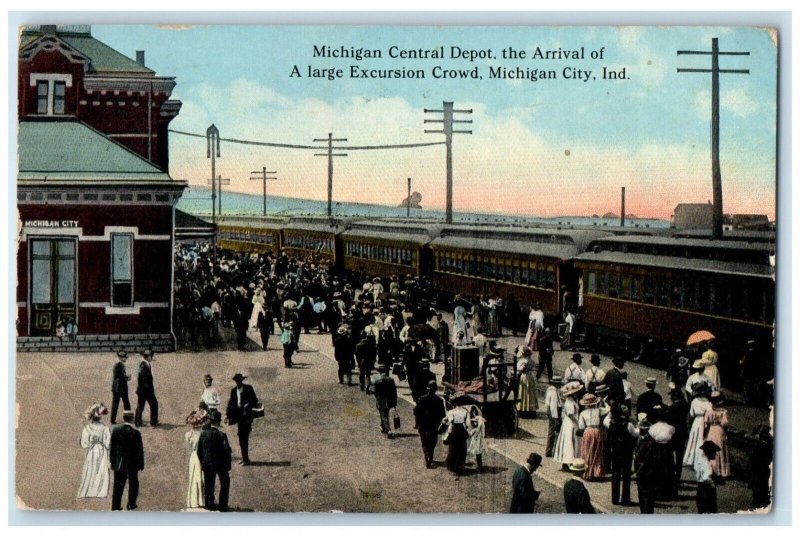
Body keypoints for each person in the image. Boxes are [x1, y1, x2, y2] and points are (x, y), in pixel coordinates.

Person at [197, 410, 232, 512]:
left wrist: (202, 462)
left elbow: (199, 450)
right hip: (220, 465)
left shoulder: (203, 434)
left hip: (208, 463)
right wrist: (227, 466)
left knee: (209, 485)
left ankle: (209, 505)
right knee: (225, 483)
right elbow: (227, 451)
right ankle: (223, 506)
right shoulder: (222, 435)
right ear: (218, 422)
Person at [109, 410, 144, 511]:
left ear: (123, 418)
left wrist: (112, 462)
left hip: (119, 464)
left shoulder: (115, 430)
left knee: (118, 486)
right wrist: (141, 464)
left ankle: (116, 506)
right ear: (132, 419)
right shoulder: (136, 433)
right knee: (133, 485)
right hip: (132, 464)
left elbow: (113, 447)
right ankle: (131, 504)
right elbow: (139, 450)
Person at [78, 403, 111, 499]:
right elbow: (108, 443)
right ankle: (100, 492)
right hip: (101, 451)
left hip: (92, 451)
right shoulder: (105, 428)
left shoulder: (87, 428)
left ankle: (89, 490)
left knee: (90, 469)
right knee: (101, 470)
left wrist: (91, 442)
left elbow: (84, 444)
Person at [225, 373, 259, 465]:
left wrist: (248, 404)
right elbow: (230, 403)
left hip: (246, 417)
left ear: (241, 380)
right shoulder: (233, 391)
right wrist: (227, 416)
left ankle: (246, 459)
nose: (238, 382)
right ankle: (245, 458)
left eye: (239, 380)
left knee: (244, 438)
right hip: (239, 417)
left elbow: (255, 401)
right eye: (236, 381)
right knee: (241, 438)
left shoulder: (248, 389)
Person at [607, 404, 637, 506]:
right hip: (626, 452)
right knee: (626, 476)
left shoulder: (610, 423)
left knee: (615, 475)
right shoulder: (628, 425)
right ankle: (625, 498)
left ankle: (615, 498)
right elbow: (635, 434)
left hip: (615, 452)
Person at [413, 380, 446, 468]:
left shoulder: (422, 398)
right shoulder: (439, 400)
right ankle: (430, 457)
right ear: (435, 390)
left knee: (424, 442)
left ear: (428, 389)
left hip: (423, 424)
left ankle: (427, 457)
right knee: (432, 442)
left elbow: (415, 411)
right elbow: (443, 414)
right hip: (434, 425)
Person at [577, 393, 608, 481]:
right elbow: (608, 409)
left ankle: (587, 472)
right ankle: (596, 473)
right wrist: (603, 402)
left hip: (588, 431)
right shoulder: (599, 410)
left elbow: (581, 426)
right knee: (597, 452)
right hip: (597, 431)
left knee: (587, 451)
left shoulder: (582, 413)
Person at [682, 383, 713, 467]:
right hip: (704, 421)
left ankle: (691, 458)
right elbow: (710, 415)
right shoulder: (708, 403)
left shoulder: (694, 401)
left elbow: (691, 413)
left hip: (697, 421)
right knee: (702, 439)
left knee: (694, 439)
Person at [554, 382, 582, 469]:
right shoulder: (570, 402)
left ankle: (569, 461)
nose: (577, 394)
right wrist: (577, 423)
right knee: (570, 441)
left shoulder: (571, 401)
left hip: (568, 422)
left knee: (570, 441)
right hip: (570, 423)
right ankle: (569, 461)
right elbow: (571, 415)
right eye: (576, 393)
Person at [184, 409, 208, 509]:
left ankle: (193, 501)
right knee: (201, 478)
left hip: (193, 456)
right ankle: (201, 500)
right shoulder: (203, 434)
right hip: (201, 456)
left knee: (194, 478)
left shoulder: (188, 434)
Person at [704, 391, 730, 478]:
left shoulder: (709, 410)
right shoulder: (723, 411)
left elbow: (706, 422)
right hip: (719, 430)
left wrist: (704, 433)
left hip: (711, 430)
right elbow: (725, 423)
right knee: (720, 449)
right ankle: (721, 470)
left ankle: (712, 469)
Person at [749, 425, 773, 509]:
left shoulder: (759, 445)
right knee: (763, 486)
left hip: (758, 469)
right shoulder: (769, 444)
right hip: (764, 469)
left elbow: (753, 459)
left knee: (758, 487)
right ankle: (762, 501)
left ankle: (758, 502)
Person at [444, 402, 471, 476]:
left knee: (453, 449)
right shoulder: (466, 412)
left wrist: (447, 434)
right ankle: (460, 466)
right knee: (462, 449)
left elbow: (450, 423)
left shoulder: (451, 412)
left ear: (454, 404)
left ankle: (452, 467)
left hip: (454, 431)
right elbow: (468, 424)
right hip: (462, 431)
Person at [694, 440, 721, 514]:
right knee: (710, 509)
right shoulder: (708, 464)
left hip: (700, 487)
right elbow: (706, 477)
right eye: (714, 452)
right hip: (707, 489)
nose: (715, 454)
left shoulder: (700, 461)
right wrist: (712, 484)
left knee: (701, 508)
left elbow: (696, 469)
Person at [372, 365, 398, 438]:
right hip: (389, 401)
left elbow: (375, 392)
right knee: (384, 414)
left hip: (380, 401)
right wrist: (394, 402)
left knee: (383, 416)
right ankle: (383, 427)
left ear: (380, 372)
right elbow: (394, 392)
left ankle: (388, 430)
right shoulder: (391, 380)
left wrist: (377, 398)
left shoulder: (377, 381)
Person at [134, 349, 158, 427]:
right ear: (148, 357)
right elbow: (144, 380)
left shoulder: (145, 364)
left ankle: (138, 422)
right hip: (145, 391)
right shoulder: (144, 365)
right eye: (151, 356)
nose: (152, 358)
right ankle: (153, 422)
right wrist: (149, 390)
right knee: (154, 404)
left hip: (142, 390)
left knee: (140, 406)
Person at [516, 346, 539, 417]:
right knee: (530, 393)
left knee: (524, 392)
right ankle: (531, 410)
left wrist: (519, 370)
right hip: (530, 377)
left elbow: (522, 369)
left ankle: (523, 410)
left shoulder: (523, 361)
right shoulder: (531, 360)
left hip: (524, 377)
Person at [110, 351, 131, 424]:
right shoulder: (119, 365)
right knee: (126, 403)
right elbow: (121, 376)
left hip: (116, 387)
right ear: (121, 358)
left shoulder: (118, 364)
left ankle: (113, 419)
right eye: (124, 358)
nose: (125, 359)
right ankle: (127, 417)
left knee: (115, 404)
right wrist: (127, 377)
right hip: (120, 387)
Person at [544, 376, 563, 457]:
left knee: (551, 433)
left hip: (550, 414)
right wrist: (556, 418)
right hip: (554, 414)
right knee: (553, 433)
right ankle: (550, 451)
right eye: (559, 384)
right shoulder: (554, 393)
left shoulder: (550, 390)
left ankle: (549, 451)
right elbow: (553, 406)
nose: (560, 385)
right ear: (556, 383)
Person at [466, 405, 487, 471]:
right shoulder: (480, 420)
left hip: (477, 437)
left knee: (475, 450)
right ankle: (478, 464)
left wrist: (471, 432)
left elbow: (477, 430)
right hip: (478, 437)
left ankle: (479, 466)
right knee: (477, 451)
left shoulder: (479, 421)